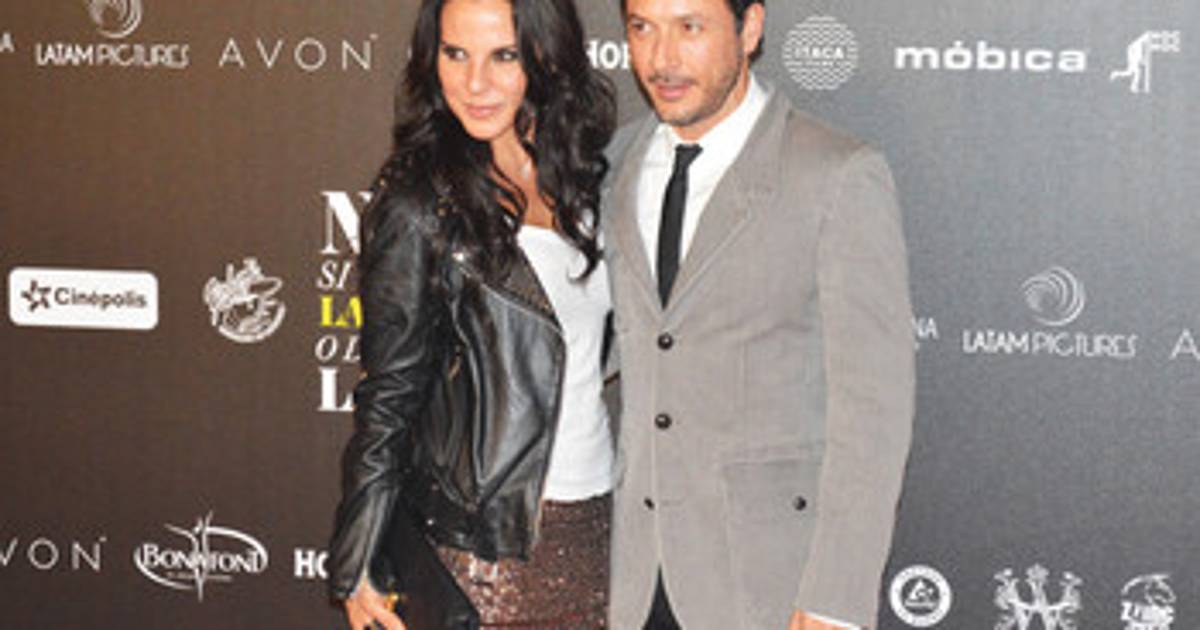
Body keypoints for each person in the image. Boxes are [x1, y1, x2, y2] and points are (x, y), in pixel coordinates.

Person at [603, 0, 915, 628]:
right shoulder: (614, 162)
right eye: (643, 28)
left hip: (769, 580)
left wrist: (835, 597)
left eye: (690, 27)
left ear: (749, 28)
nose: (662, 59)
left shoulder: (835, 174)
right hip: (635, 575)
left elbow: (874, 408)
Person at [326, 0, 616, 628]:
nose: (474, 83)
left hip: (599, 523)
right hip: (486, 551)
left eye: (503, 56)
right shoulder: (419, 203)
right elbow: (389, 393)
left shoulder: (585, 180)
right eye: (455, 54)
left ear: (545, 55)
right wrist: (358, 557)